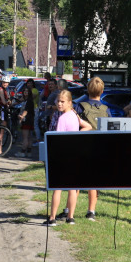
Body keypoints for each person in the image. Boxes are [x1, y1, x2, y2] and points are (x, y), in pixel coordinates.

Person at [43, 89, 91, 226]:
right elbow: (88, 126)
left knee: (57, 188)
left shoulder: (62, 118)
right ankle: (71, 217)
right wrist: (78, 134)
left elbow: (57, 139)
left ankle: (52, 218)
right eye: (58, 101)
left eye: (62, 102)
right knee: (72, 187)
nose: (59, 104)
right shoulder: (75, 115)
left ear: (70, 102)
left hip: (62, 156)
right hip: (74, 155)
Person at [77, 76, 109, 220]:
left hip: (83, 145)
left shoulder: (80, 107)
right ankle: (91, 211)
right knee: (94, 180)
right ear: (102, 91)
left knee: (77, 179)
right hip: (100, 147)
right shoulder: (106, 109)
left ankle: (68, 209)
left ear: (87, 90)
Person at [16, 79, 37, 157]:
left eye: (27, 91)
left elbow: (26, 110)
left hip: (27, 119)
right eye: (24, 91)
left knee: (25, 137)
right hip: (30, 119)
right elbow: (18, 101)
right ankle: (29, 152)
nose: (25, 92)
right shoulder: (26, 99)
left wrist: (21, 116)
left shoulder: (29, 100)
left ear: (30, 92)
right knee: (29, 136)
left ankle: (22, 152)